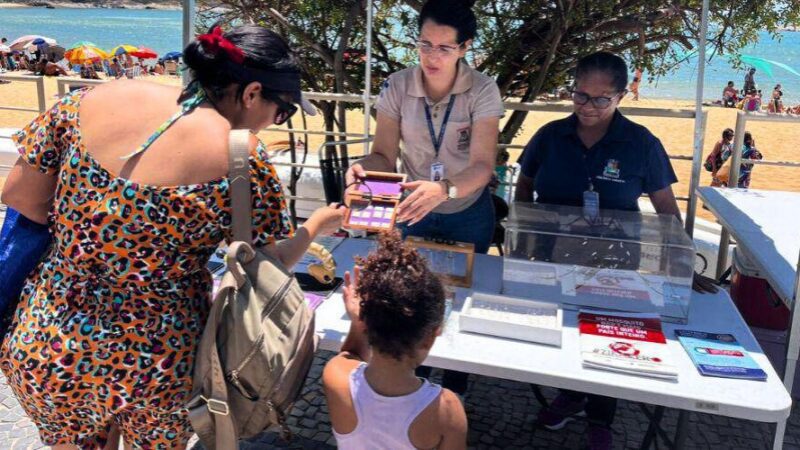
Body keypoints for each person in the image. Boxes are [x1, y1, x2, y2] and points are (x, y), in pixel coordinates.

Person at [0, 24, 343, 449]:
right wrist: (318, 224)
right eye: (283, 111)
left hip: (56, 342)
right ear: (252, 92)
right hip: (162, 360)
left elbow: (19, 197)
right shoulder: (243, 160)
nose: (277, 122)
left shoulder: (84, 102)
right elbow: (265, 270)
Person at [514, 51, 717, 450]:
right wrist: (524, 238)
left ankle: (601, 416)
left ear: (622, 96)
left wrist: (683, 264)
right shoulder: (550, 135)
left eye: (601, 98)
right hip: (554, 256)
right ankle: (570, 395)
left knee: (605, 338)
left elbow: (665, 209)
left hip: (616, 262)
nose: (588, 107)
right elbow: (524, 185)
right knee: (563, 331)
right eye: (579, 96)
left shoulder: (641, 143)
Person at [345, 0, 503, 397]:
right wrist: (362, 167)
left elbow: (483, 166)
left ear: (465, 48)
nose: (432, 56)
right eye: (424, 45)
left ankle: (456, 387)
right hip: (411, 210)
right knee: (408, 299)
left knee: (462, 300)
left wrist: (445, 189)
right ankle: (412, 382)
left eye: (445, 48)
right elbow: (383, 153)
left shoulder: (483, 89)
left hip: (467, 212)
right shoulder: (398, 85)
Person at [323, 231, 468, 450]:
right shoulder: (447, 410)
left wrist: (357, 321)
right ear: (430, 337)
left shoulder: (335, 376)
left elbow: (349, 356)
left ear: (367, 323)